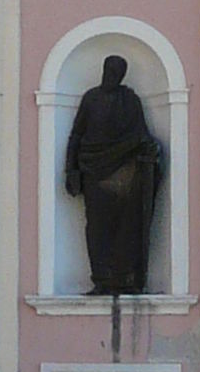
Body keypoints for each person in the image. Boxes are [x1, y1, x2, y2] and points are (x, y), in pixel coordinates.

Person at [63, 55, 163, 296]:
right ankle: (101, 279)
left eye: (117, 72)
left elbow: (142, 135)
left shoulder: (130, 101)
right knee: (97, 226)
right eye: (109, 70)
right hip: (94, 172)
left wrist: (151, 148)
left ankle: (125, 278)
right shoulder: (91, 98)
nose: (112, 75)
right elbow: (76, 135)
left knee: (126, 225)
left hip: (126, 173)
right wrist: (71, 170)